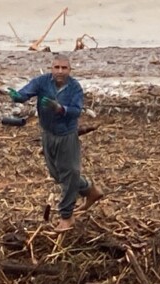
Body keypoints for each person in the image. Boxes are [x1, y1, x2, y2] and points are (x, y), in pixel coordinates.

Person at [7, 54, 103, 232]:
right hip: (48, 133)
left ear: (69, 70)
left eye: (64, 68)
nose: (60, 71)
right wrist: (16, 96)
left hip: (66, 135)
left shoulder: (75, 88)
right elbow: (24, 93)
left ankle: (67, 216)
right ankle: (90, 190)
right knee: (58, 174)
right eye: (56, 67)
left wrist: (59, 109)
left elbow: (76, 111)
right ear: (51, 68)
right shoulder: (42, 82)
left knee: (70, 172)